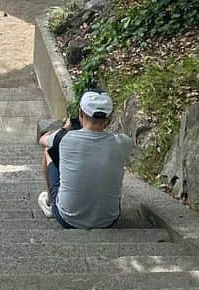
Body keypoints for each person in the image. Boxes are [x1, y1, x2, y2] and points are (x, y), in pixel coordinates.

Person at [38, 89, 133, 229]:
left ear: (80, 114)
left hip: (67, 219)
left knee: (48, 150)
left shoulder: (65, 138)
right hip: (109, 220)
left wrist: (65, 128)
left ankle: (50, 202)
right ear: (109, 119)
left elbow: (42, 140)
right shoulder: (124, 142)